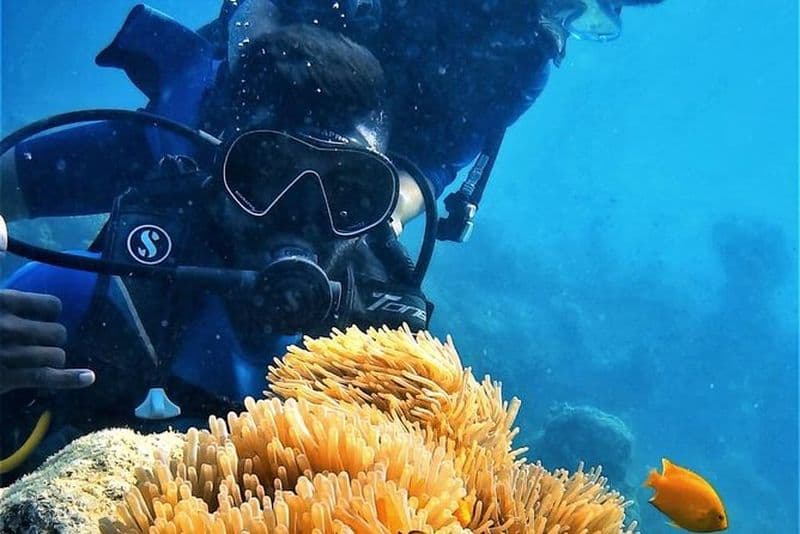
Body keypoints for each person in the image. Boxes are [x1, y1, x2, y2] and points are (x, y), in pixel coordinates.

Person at [0, 23, 431, 482]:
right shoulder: (72, 302)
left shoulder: (387, 350)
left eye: (348, 190)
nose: (302, 216)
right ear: (219, 167)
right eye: (266, 172)